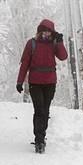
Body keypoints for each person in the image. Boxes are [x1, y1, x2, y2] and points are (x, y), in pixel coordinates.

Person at [16, 18, 68, 153]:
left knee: (45, 110)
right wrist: (20, 81)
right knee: (39, 110)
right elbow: (25, 64)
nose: (46, 34)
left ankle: (42, 136)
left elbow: (63, 57)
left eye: (49, 32)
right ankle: (39, 140)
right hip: (35, 83)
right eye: (44, 32)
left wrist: (60, 42)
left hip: (50, 83)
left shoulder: (54, 44)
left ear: (52, 33)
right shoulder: (31, 44)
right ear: (39, 32)